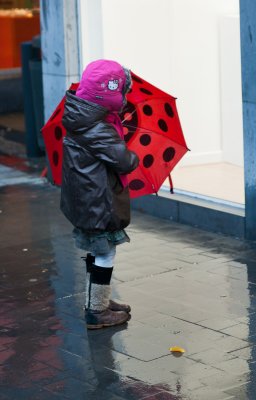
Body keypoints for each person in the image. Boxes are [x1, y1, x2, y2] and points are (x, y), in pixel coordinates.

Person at [60, 59, 139, 329]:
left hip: (86, 199)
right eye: (122, 92)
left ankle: (98, 299)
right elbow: (125, 161)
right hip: (99, 202)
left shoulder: (81, 118)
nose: (124, 97)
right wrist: (131, 153)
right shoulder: (98, 129)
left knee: (96, 251)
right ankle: (97, 311)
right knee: (105, 253)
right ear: (110, 93)